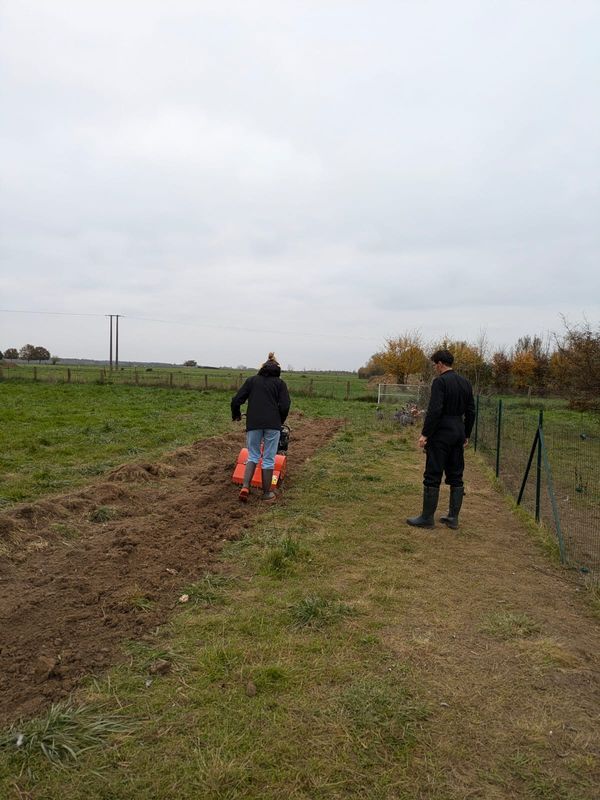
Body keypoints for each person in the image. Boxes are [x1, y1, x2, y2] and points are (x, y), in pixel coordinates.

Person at [407, 349, 475, 529]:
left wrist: (425, 434)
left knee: (433, 473)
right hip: (458, 431)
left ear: (440, 363)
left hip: (441, 433)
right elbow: (471, 411)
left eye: (435, 364)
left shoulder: (440, 382)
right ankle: (453, 518)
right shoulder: (466, 383)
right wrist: (466, 434)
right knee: (456, 474)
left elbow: (435, 410)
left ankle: (427, 518)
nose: (435, 368)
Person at [231, 352, 291, 503]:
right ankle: (267, 494)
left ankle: (245, 486)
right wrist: (280, 420)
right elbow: (285, 405)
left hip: (254, 423)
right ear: (278, 370)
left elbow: (236, 400)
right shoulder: (280, 384)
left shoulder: (252, 381)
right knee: (269, 459)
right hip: (273, 425)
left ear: (262, 369)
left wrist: (236, 415)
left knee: (253, 455)